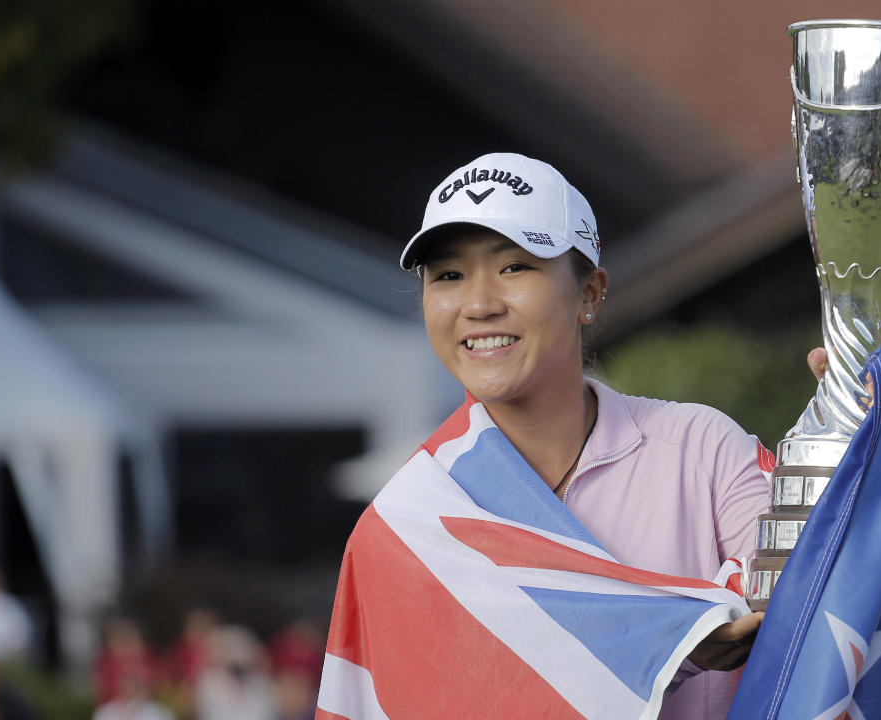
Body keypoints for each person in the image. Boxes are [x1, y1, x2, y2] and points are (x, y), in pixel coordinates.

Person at [329, 152, 828, 718]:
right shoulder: (405, 520)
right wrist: (678, 636)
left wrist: (838, 440)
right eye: (447, 275)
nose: (479, 304)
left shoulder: (700, 449)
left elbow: (803, 594)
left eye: (514, 267)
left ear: (589, 293)